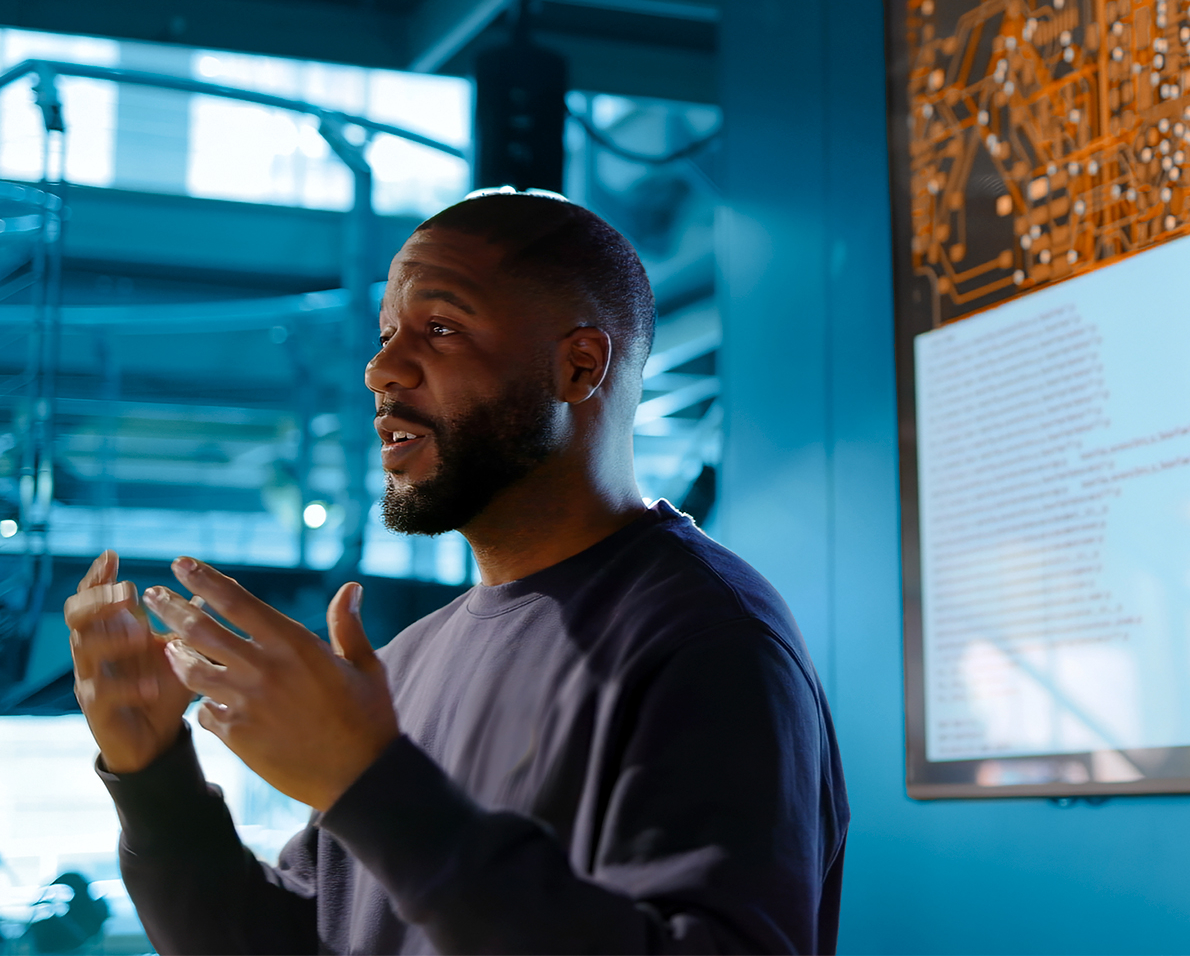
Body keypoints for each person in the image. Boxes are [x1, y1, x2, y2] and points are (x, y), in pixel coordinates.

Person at [64, 191, 848, 955]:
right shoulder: (405, 661)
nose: (381, 371)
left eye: (439, 329)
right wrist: (156, 780)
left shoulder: (711, 639)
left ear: (578, 367)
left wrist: (370, 787)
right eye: (385, 334)